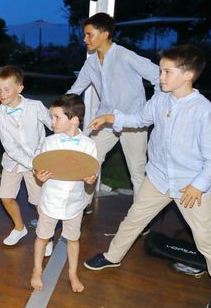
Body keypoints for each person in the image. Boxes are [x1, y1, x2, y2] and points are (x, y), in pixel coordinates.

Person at [84, 45, 211, 308]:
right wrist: (114, 117)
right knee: (134, 219)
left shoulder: (204, 111)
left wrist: (198, 185)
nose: (161, 77)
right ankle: (112, 257)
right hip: (157, 178)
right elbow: (140, 119)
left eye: (167, 72)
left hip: (190, 186)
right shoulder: (160, 99)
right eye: (160, 71)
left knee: (205, 239)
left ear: (189, 75)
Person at [67, 12, 159, 210]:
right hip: (105, 121)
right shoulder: (91, 63)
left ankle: (140, 217)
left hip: (133, 121)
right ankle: (84, 203)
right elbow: (75, 90)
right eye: (84, 35)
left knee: (137, 170)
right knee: (89, 159)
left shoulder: (125, 55)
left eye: (89, 34)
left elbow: (157, 76)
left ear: (105, 34)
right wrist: (59, 108)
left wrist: (154, 108)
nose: (85, 39)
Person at [32, 94, 98, 293]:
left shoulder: (89, 145)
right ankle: (36, 270)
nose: (52, 122)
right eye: (52, 117)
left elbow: (91, 172)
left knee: (73, 238)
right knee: (43, 237)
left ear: (74, 120)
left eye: (57, 117)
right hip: (51, 199)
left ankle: (72, 273)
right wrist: (39, 176)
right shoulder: (49, 142)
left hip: (74, 202)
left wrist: (90, 180)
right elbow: (38, 167)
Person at [0, 66, 53, 254]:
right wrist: (31, 164)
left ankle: (46, 236)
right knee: (5, 197)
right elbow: (9, 147)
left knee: (38, 202)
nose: (1, 94)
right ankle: (20, 228)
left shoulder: (35, 106)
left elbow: (54, 125)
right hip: (13, 161)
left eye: (6, 89)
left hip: (38, 161)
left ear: (19, 88)